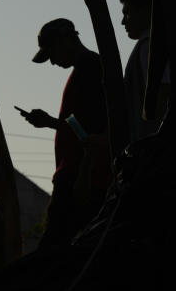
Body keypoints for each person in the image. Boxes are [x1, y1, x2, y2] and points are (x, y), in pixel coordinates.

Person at [19, 18, 112, 249]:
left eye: (51, 53)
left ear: (64, 41)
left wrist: (84, 176)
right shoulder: (86, 69)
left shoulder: (89, 69)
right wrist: (50, 122)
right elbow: (82, 126)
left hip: (79, 179)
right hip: (79, 177)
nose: (51, 62)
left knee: (54, 253)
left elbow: (93, 131)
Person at [119, 0, 170, 143]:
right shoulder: (151, 44)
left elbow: (164, 92)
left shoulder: (150, 46)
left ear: (147, 10)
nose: (123, 22)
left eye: (127, 13)